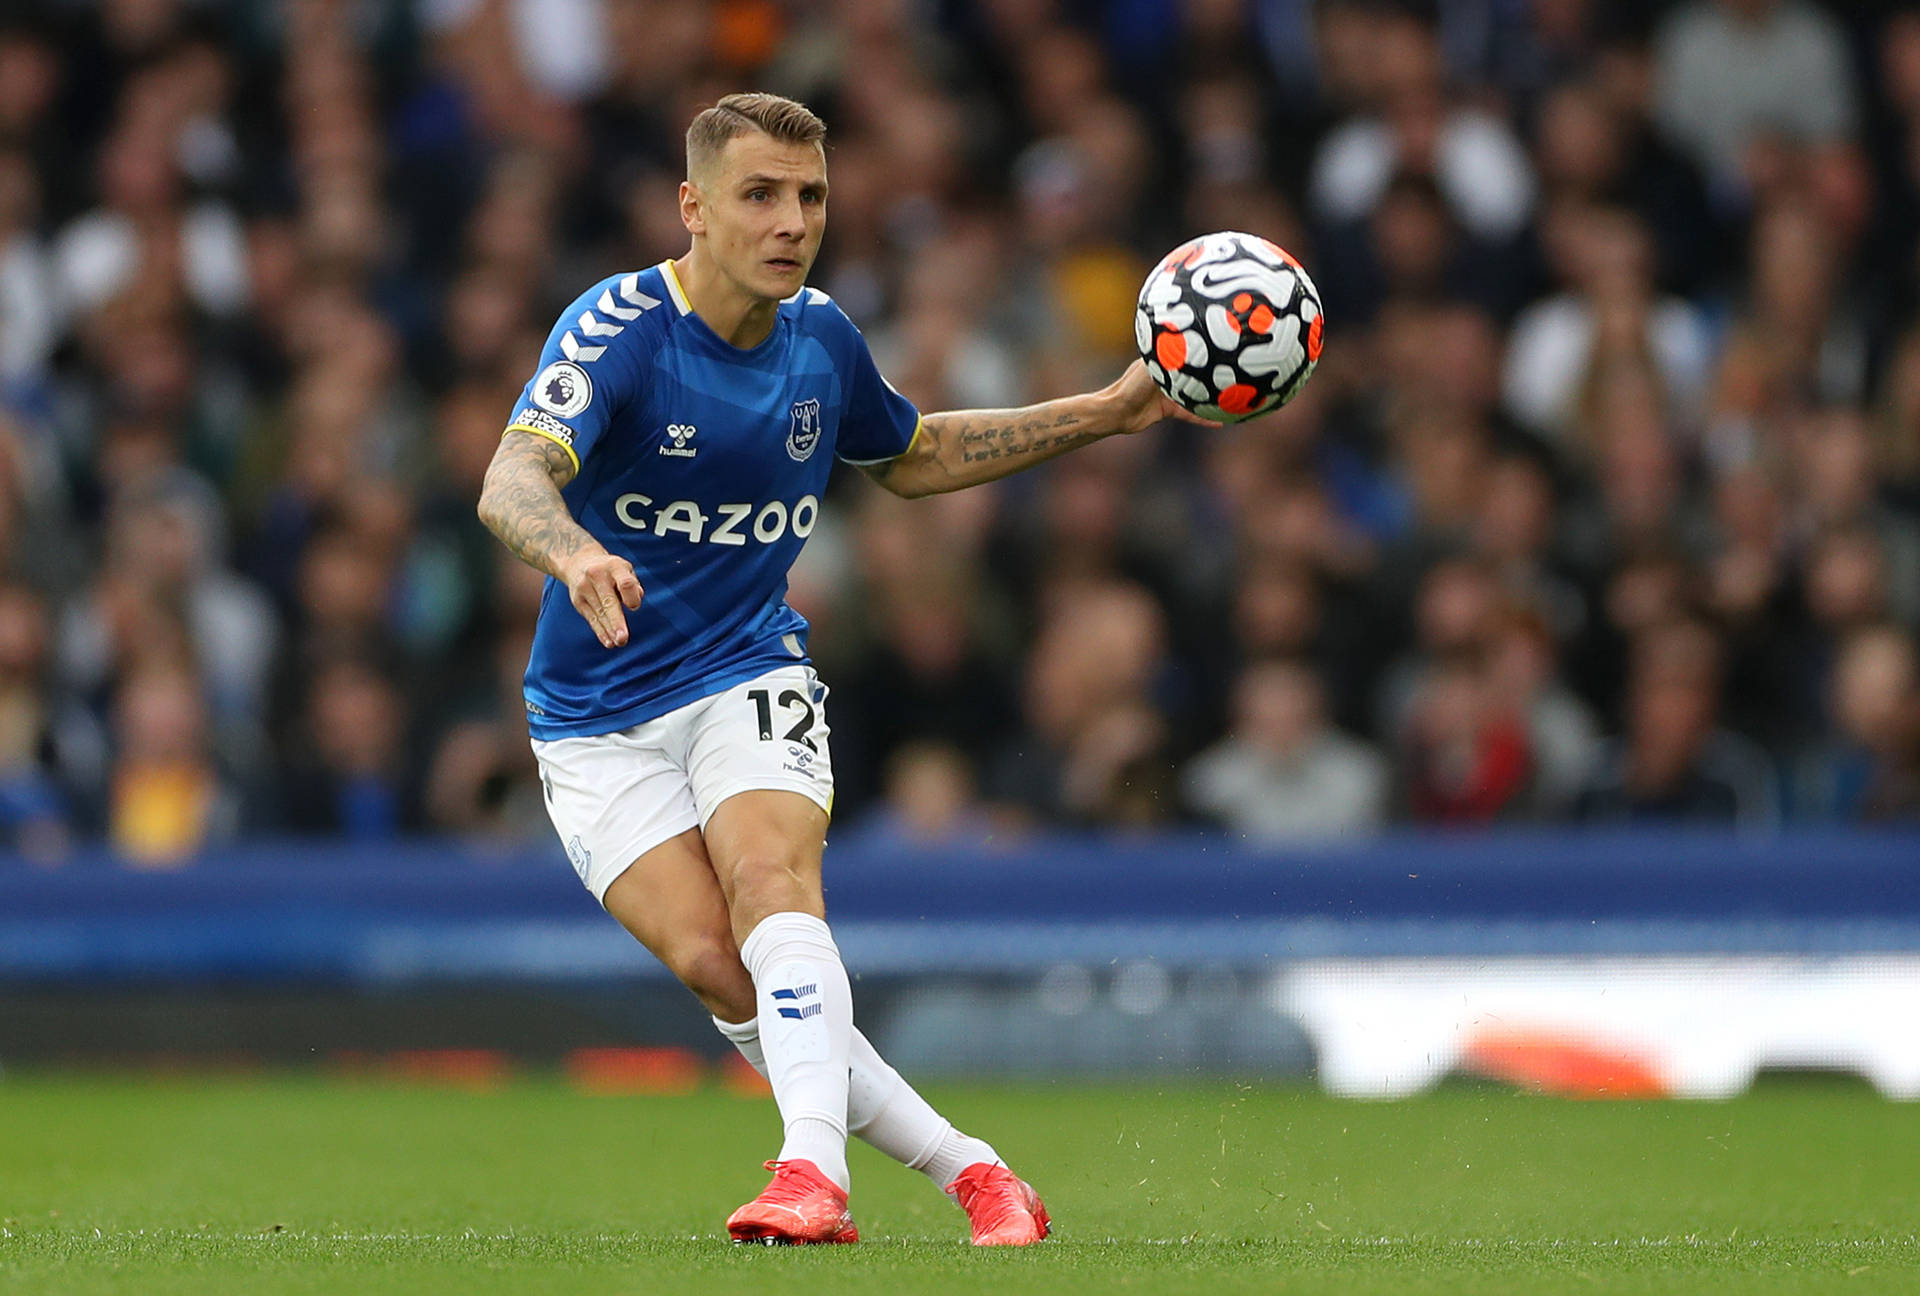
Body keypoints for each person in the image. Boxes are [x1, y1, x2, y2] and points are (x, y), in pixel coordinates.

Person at [476, 93, 1205, 1246]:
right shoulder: (620, 329)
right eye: (761, 194)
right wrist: (571, 551)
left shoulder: (822, 340)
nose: (792, 221)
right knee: (726, 972)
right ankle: (979, 1176)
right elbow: (511, 477)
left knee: (773, 887)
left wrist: (1107, 414)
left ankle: (809, 1176)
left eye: (810, 196)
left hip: (744, 669)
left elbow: (910, 456)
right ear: (694, 208)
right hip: (592, 714)